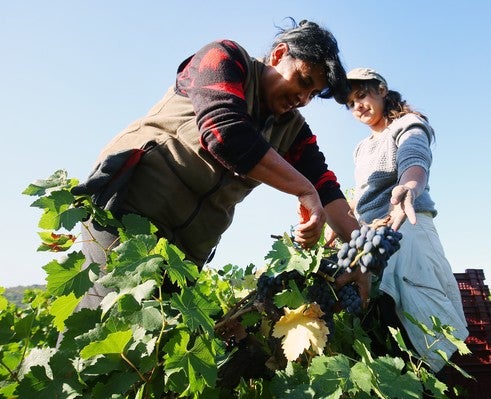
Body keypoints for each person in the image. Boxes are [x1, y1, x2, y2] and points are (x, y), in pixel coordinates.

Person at [71, 18, 360, 311]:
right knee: (108, 315)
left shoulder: (292, 129)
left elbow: (325, 185)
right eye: (304, 81)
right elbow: (225, 133)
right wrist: (303, 188)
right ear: (278, 54)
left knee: (153, 343)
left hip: (186, 250)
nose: (303, 99)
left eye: (312, 95)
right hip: (129, 207)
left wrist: (361, 254)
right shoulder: (225, 57)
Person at [343, 67, 468, 373]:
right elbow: (363, 195)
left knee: (423, 322)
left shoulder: (408, 124)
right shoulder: (359, 149)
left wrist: (410, 186)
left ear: (381, 90)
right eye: (350, 103)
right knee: (380, 320)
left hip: (408, 224)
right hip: (371, 236)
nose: (358, 106)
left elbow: (414, 158)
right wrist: (342, 220)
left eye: (362, 95)